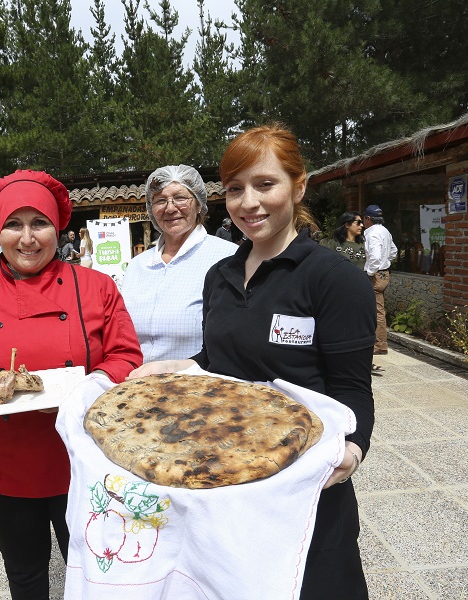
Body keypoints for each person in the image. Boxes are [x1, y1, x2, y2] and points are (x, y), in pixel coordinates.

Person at [129, 124, 376, 598]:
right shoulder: (219, 276)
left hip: (300, 478)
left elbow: (352, 387)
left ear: (298, 186)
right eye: (236, 189)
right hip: (227, 475)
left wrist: (355, 447)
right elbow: (217, 360)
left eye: (265, 184)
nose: (249, 203)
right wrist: (172, 368)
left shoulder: (333, 279)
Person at [0, 170, 142, 599]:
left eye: (39, 223)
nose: (28, 238)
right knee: (25, 576)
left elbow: (126, 356)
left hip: (87, 461)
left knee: (98, 572)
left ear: (58, 228)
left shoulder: (96, 287)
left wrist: (87, 387)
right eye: (13, 225)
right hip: (6, 469)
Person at [121, 165, 238, 362]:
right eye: (160, 200)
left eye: (180, 198)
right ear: (151, 209)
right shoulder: (136, 266)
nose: (170, 208)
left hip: (196, 385)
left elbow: (236, 338)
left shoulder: (227, 258)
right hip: (137, 385)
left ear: (199, 203)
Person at [362, 204, 398, 355]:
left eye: (364, 219)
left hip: (376, 275)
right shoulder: (385, 231)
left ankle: (380, 345)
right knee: (376, 308)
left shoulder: (373, 233)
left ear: (368, 218)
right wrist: (385, 262)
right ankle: (375, 341)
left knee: (377, 310)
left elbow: (375, 257)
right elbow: (394, 251)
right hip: (383, 272)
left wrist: (370, 272)